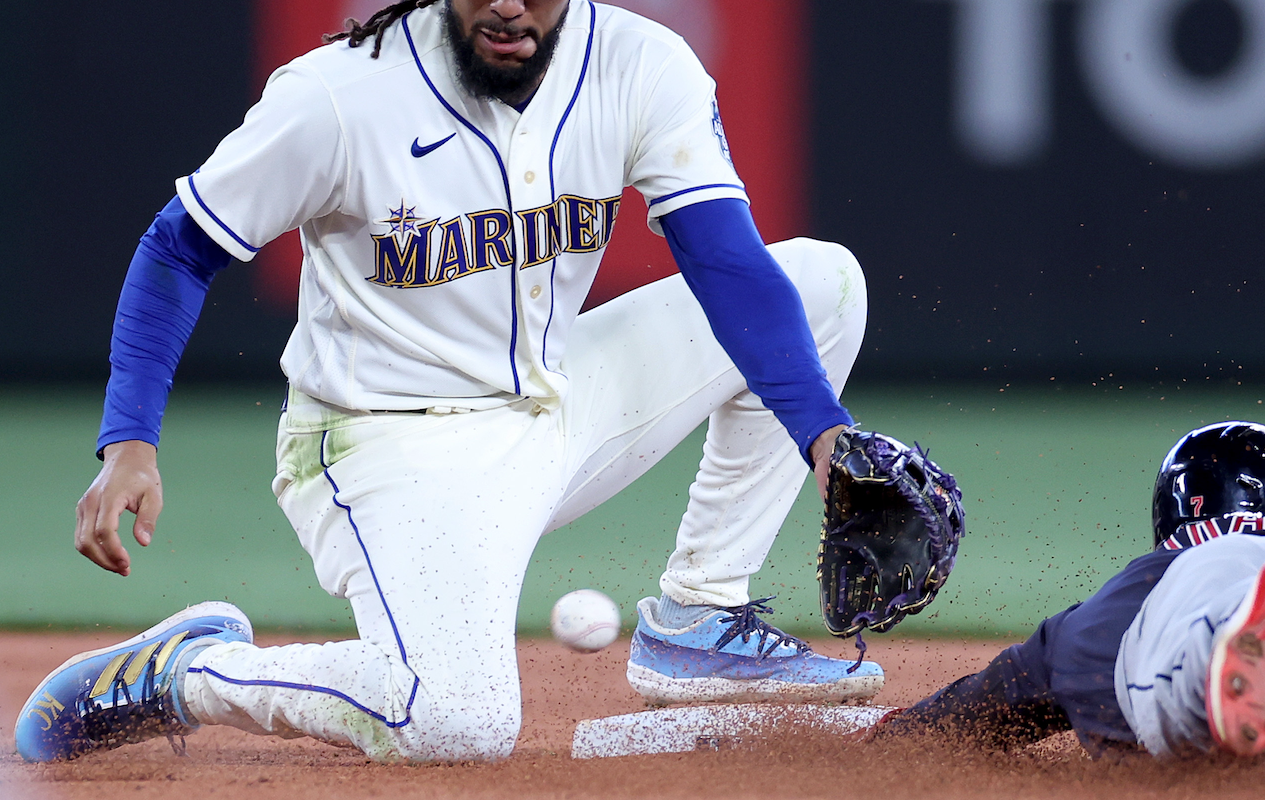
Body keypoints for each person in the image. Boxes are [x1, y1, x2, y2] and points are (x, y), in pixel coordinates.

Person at [16, 0, 882, 764]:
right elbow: (179, 247)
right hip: (390, 444)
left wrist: (823, 434)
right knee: (451, 722)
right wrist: (129, 437)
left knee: (821, 283)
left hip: (554, 400)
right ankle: (188, 672)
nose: (507, 7)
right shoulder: (340, 95)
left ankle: (701, 616)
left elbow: (726, 264)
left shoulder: (639, 64)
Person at [873, 421, 1265, 759]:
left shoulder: (1147, 582)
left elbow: (968, 715)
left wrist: (895, 735)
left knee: (1177, 675)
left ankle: (1229, 656)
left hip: (1198, 602)